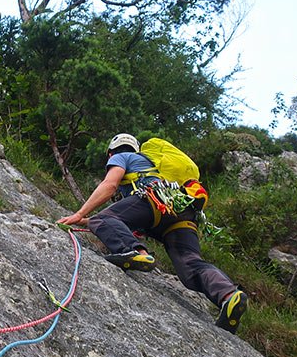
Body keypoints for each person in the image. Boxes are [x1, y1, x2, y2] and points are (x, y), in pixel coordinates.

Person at [58, 133, 249, 334]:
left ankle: (137, 254)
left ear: (111, 153)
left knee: (102, 217)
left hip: (155, 199)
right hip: (182, 211)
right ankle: (229, 295)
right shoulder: (151, 163)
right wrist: (86, 222)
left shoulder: (121, 157)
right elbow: (122, 224)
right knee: (190, 265)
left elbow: (110, 186)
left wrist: (80, 213)